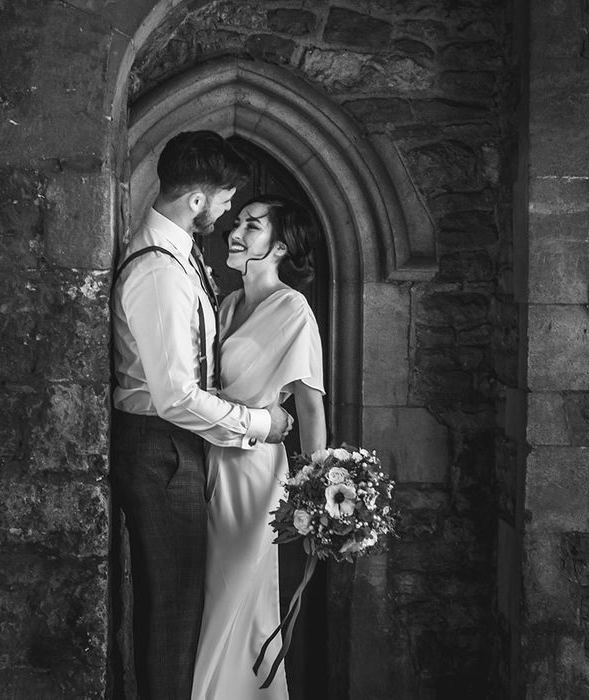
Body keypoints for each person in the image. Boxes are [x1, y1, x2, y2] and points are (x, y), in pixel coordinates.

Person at [110, 132, 294, 700]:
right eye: (224, 197)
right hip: (161, 447)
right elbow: (177, 396)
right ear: (196, 199)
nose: (227, 209)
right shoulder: (160, 272)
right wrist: (261, 425)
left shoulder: (180, 253)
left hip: (177, 447)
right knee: (173, 607)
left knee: (184, 603)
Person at [191, 195, 327, 700]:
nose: (236, 230)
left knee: (236, 597)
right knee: (211, 598)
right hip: (208, 460)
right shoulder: (226, 304)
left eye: (253, 225)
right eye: (237, 221)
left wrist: (316, 500)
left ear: (282, 245)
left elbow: (311, 410)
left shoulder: (293, 308)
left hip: (255, 475)